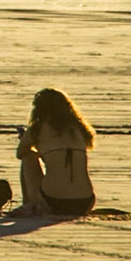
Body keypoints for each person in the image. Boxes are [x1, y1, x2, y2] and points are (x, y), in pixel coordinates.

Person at [15, 87, 97, 218]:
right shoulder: (79, 128)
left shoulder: (38, 128)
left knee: (28, 156)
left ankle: (28, 204)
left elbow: (20, 153)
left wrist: (27, 140)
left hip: (53, 201)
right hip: (85, 201)